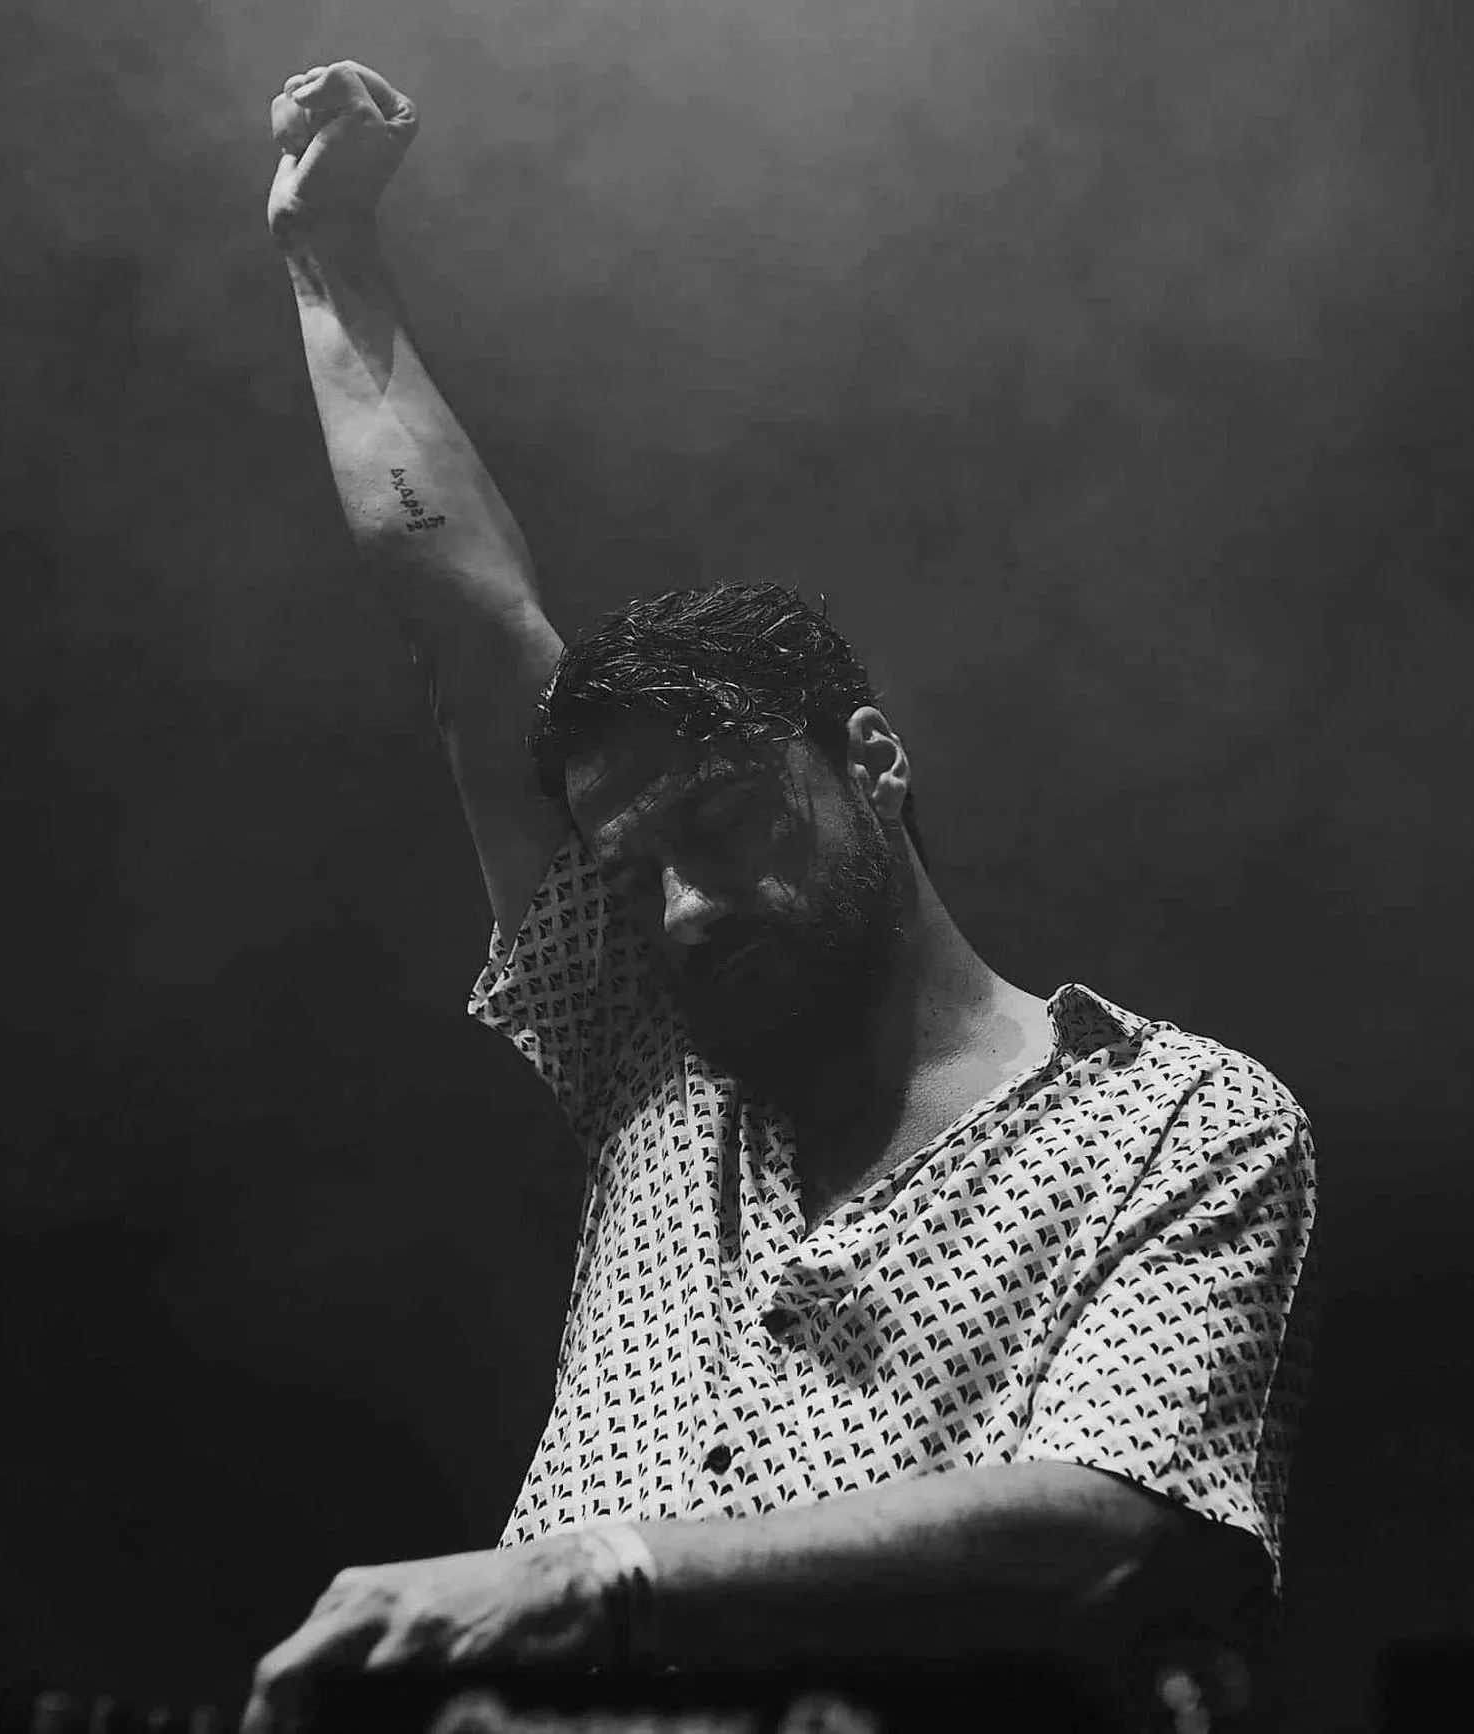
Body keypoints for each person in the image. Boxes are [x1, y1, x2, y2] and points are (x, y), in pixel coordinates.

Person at [244, 60, 1317, 1734]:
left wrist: (594, 1574)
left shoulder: (1178, 1123)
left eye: (727, 821)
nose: (678, 910)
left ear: (869, 758)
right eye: (632, 871)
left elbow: (1113, 1529)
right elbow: (461, 619)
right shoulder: (648, 1042)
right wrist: (327, 259)